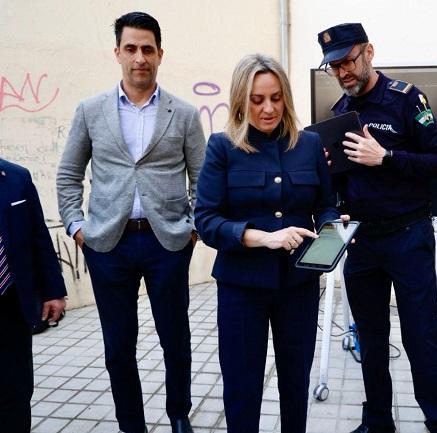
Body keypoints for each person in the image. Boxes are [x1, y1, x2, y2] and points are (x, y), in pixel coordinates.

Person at [56, 11, 205, 433]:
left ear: (160, 54)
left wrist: (192, 228)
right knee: (118, 345)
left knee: (175, 339)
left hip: (167, 243)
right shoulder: (91, 110)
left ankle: (179, 414)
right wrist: (77, 227)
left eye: (147, 49)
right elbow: (68, 175)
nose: (140, 57)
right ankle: (131, 424)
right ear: (118, 53)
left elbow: (203, 178)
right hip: (108, 244)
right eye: (131, 49)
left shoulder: (184, 113)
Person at [317, 23, 437, 433]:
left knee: (421, 337)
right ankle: (378, 420)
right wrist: (327, 171)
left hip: (408, 237)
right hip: (362, 242)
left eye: (347, 61)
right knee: (371, 338)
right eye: (334, 66)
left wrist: (388, 157)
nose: (342, 72)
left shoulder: (407, 99)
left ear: (369, 52)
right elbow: (342, 182)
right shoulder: (339, 114)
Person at [194, 54, 340, 433]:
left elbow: (326, 204)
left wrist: (332, 231)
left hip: (299, 285)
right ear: (240, 100)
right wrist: (263, 238)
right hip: (242, 288)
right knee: (242, 389)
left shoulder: (308, 144)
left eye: (276, 98)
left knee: (296, 383)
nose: (268, 109)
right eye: (257, 100)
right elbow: (206, 221)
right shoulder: (222, 147)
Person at [0, 158, 66, 433]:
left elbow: (39, 235)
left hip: (11, 302)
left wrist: (54, 291)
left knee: (17, 388)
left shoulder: (17, 177)